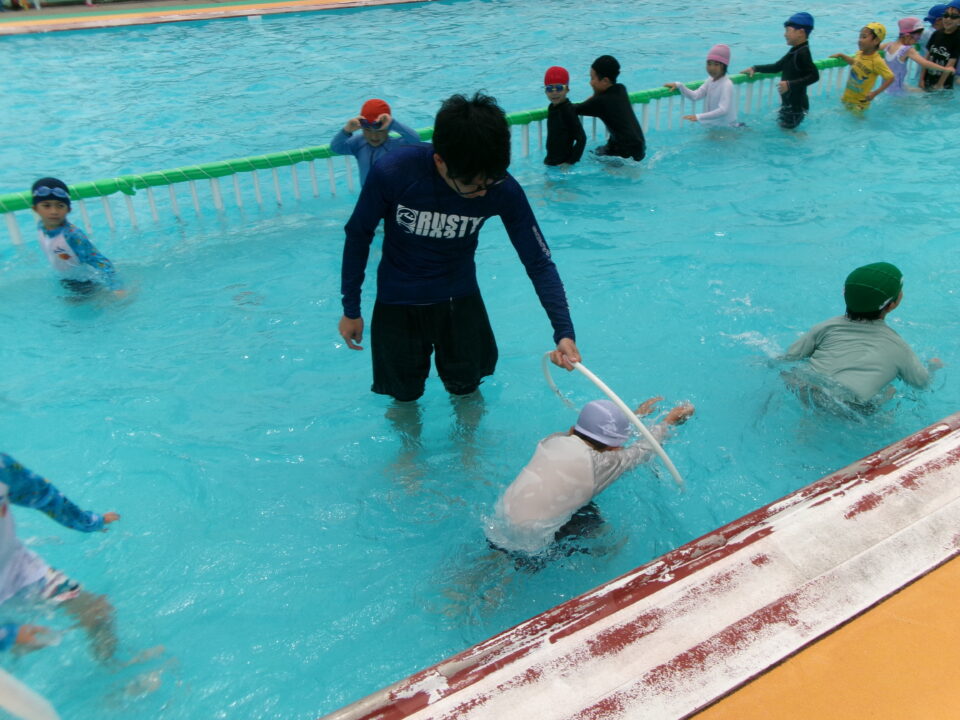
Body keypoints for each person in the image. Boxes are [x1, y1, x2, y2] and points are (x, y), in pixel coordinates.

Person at [338, 92, 581, 408]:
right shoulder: (395, 172)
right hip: (397, 303)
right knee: (403, 399)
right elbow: (358, 234)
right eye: (472, 186)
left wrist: (564, 332)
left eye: (489, 183)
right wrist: (351, 308)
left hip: (460, 301)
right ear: (440, 161)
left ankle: (469, 441)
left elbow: (538, 261)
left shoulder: (499, 186)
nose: (483, 193)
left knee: (468, 392)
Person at [485, 397, 694, 555]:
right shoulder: (601, 464)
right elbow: (645, 449)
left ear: (573, 429)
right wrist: (669, 421)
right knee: (606, 534)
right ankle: (605, 556)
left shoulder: (553, 440)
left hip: (498, 523)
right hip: (533, 545)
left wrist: (635, 416)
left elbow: (596, 436)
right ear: (613, 448)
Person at [0, 453, 121, 660]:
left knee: (97, 612)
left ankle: (113, 670)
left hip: (22, 571)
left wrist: (89, 521)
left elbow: (42, 494)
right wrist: (8, 636)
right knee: (16, 647)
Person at [782, 262, 941, 412]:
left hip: (803, 388)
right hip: (850, 408)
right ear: (892, 305)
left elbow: (789, 357)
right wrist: (932, 367)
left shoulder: (825, 327)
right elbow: (922, 383)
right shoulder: (898, 347)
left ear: (845, 294)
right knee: (890, 391)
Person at [31, 177, 123, 296]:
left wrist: (116, 287)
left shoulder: (72, 236)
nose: (54, 211)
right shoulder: (41, 226)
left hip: (86, 281)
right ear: (36, 209)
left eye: (60, 205)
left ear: (68, 209)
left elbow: (99, 260)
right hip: (66, 278)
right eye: (46, 205)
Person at [742, 12, 819, 129]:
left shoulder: (803, 53)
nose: (784, 34)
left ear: (801, 32)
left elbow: (814, 76)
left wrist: (789, 84)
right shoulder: (795, 50)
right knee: (784, 129)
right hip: (790, 105)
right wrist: (755, 68)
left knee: (788, 132)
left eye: (788, 30)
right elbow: (777, 66)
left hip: (796, 108)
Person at [330, 98, 422, 186]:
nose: (374, 136)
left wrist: (393, 123)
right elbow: (336, 147)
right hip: (368, 194)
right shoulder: (358, 143)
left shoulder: (395, 146)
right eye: (368, 130)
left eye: (380, 131)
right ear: (362, 128)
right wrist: (347, 130)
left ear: (388, 129)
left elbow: (415, 140)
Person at [575, 55, 646, 161]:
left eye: (592, 78)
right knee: (598, 151)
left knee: (590, 157)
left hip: (624, 153)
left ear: (605, 81)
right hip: (639, 147)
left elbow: (573, 109)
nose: (590, 82)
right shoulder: (621, 89)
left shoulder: (601, 102)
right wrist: (595, 98)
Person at [664, 44, 739, 127]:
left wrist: (699, 117)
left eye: (716, 64)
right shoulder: (710, 81)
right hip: (714, 126)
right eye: (709, 64)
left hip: (727, 127)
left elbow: (723, 110)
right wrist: (679, 85)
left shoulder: (727, 84)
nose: (711, 68)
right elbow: (695, 96)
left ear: (724, 66)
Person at [831, 23, 895, 109]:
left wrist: (874, 93)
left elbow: (891, 78)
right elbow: (855, 63)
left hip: (860, 104)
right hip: (847, 98)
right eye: (860, 37)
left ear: (876, 41)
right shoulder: (859, 53)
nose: (860, 40)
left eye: (864, 37)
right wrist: (842, 55)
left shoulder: (876, 61)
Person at [883, 17, 952, 95]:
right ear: (907, 36)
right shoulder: (907, 50)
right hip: (898, 92)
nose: (918, 39)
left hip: (886, 88)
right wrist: (945, 69)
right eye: (918, 36)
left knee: (922, 92)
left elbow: (874, 48)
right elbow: (925, 63)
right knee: (927, 99)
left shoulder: (889, 45)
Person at [542, 66, 586, 166]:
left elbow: (581, 138)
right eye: (549, 88)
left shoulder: (567, 110)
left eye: (559, 88)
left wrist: (570, 162)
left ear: (567, 89)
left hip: (562, 164)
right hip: (551, 161)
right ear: (545, 91)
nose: (554, 93)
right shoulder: (552, 107)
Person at [921, 0, 960, 90]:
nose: (948, 19)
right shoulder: (936, 34)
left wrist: (939, 85)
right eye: (945, 15)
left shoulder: (957, 38)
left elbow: (950, 64)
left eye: (954, 16)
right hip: (928, 79)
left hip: (944, 86)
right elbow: (926, 58)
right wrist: (921, 80)